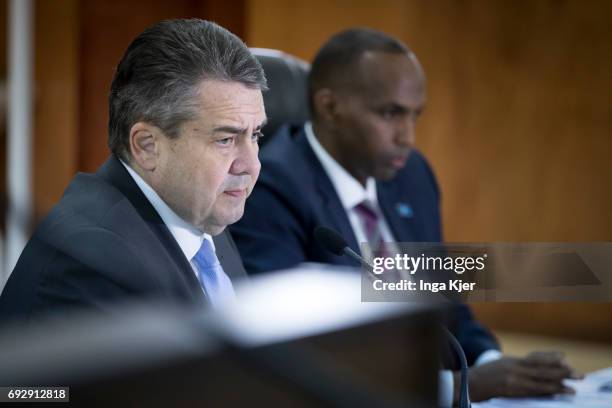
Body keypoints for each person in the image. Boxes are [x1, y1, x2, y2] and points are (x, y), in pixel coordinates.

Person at [230, 28, 578, 404]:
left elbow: (445, 299)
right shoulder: (272, 187)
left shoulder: (412, 175)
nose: (408, 137)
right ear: (330, 108)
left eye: (415, 115)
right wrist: (463, 385)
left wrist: (495, 365)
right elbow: (298, 352)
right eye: (391, 113)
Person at [0, 19, 267, 321]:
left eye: (255, 135)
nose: (251, 164)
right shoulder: (94, 262)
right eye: (225, 139)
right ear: (147, 146)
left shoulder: (198, 213)